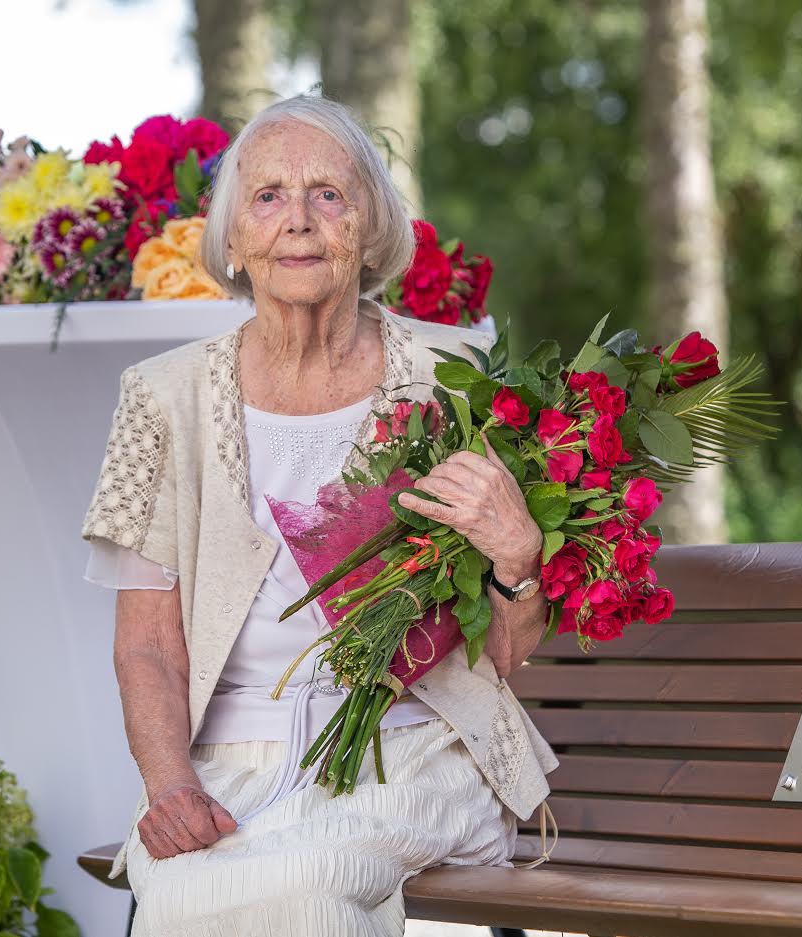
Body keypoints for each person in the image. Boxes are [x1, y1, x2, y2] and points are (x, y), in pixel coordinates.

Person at [79, 94, 558, 937]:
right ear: (233, 238)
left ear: (371, 228)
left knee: (303, 880)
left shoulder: (453, 375)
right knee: (184, 882)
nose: (297, 220)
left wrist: (519, 555)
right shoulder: (164, 398)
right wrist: (171, 786)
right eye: (267, 197)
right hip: (225, 766)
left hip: (417, 750)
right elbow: (147, 644)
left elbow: (510, 651)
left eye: (328, 195)